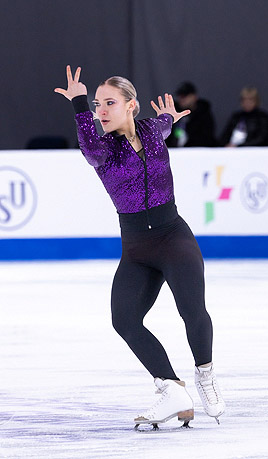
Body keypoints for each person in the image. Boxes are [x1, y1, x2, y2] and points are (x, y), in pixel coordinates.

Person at [54, 66, 225, 429]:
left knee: (192, 310)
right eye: (98, 104)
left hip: (173, 237)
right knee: (125, 320)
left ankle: (205, 375)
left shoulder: (151, 130)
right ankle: (171, 388)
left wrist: (169, 116)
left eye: (109, 103)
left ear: (131, 106)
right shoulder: (101, 150)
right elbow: (87, 139)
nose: (101, 110)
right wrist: (79, 103)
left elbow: (162, 124)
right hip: (136, 248)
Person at [166, 81, 217, 147]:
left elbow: (206, 138)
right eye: (180, 96)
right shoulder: (174, 113)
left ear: (194, 97)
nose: (182, 99)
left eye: (185, 96)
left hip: (195, 152)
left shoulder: (203, 114)